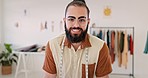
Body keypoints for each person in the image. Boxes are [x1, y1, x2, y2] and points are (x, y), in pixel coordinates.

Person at [43, 0, 112, 78]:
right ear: (65, 21)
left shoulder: (100, 47)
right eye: (71, 19)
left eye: (81, 20)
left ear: (88, 22)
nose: (76, 25)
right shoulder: (52, 46)